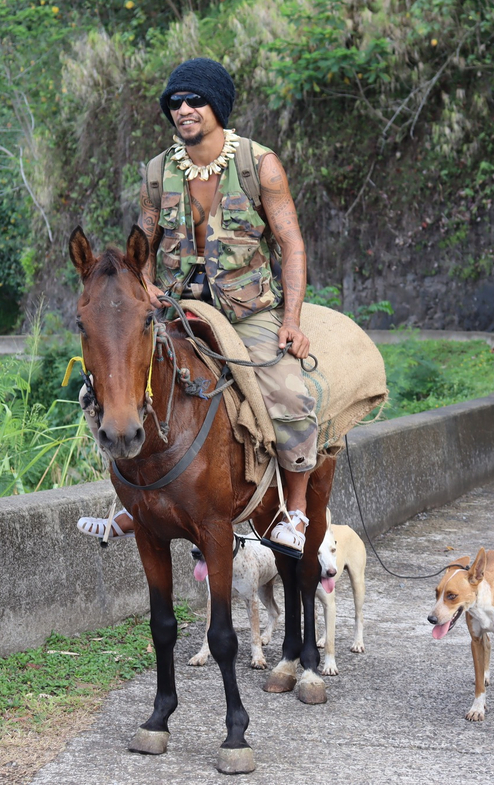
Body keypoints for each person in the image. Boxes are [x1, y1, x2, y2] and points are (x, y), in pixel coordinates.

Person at [76, 57, 318, 555]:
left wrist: (291, 320)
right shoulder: (157, 172)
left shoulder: (258, 164)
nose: (183, 109)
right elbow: (141, 248)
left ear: (217, 106)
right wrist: (147, 288)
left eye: (194, 100)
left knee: (291, 396)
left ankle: (294, 511)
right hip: (178, 309)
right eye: (175, 102)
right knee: (113, 381)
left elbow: (291, 244)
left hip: (246, 312)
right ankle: (130, 499)